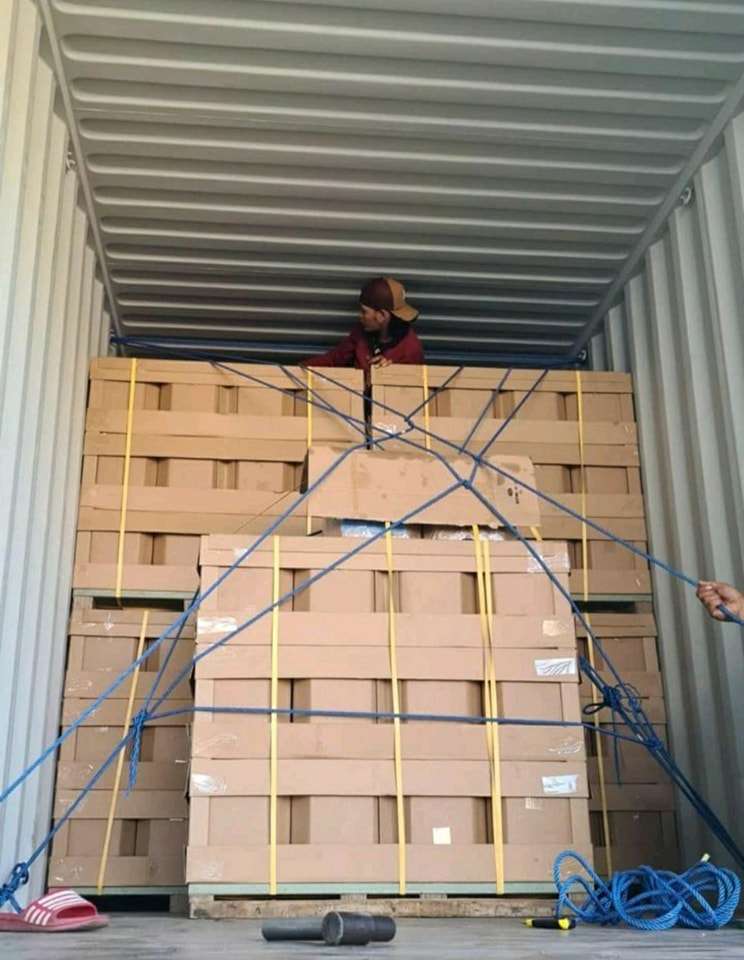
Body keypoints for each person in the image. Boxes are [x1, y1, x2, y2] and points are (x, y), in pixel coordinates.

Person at [301, 277, 424, 373]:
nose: (360, 316)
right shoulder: (361, 332)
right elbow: (334, 359)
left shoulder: (410, 349)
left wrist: (389, 371)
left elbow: (408, 390)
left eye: (364, 311)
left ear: (382, 315)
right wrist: (299, 370)